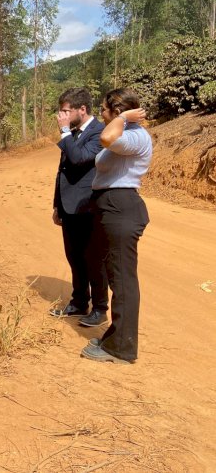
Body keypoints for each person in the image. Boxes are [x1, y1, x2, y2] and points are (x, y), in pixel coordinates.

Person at [81, 88, 151, 364]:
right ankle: (115, 336)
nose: (101, 114)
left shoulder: (134, 135)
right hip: (111, 206)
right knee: (114, 273)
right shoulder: (126, 133)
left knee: (122, 279)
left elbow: (107, 136)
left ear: (118, 113)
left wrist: (123, 119)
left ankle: (121, 348)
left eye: (105, 110)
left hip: (121, 206)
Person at [50, 88, 109, 327]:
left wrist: (64, 131)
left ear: (82, 109)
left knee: (93, 259)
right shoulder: (73, 133)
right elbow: (63, 170)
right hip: (69, 207)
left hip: (88, 208)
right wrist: (57, 205)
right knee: (74, 257)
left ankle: (100, 307)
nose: (61, 116)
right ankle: (79, 301)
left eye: (65, 111)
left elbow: (79, 159)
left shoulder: (99, 133)